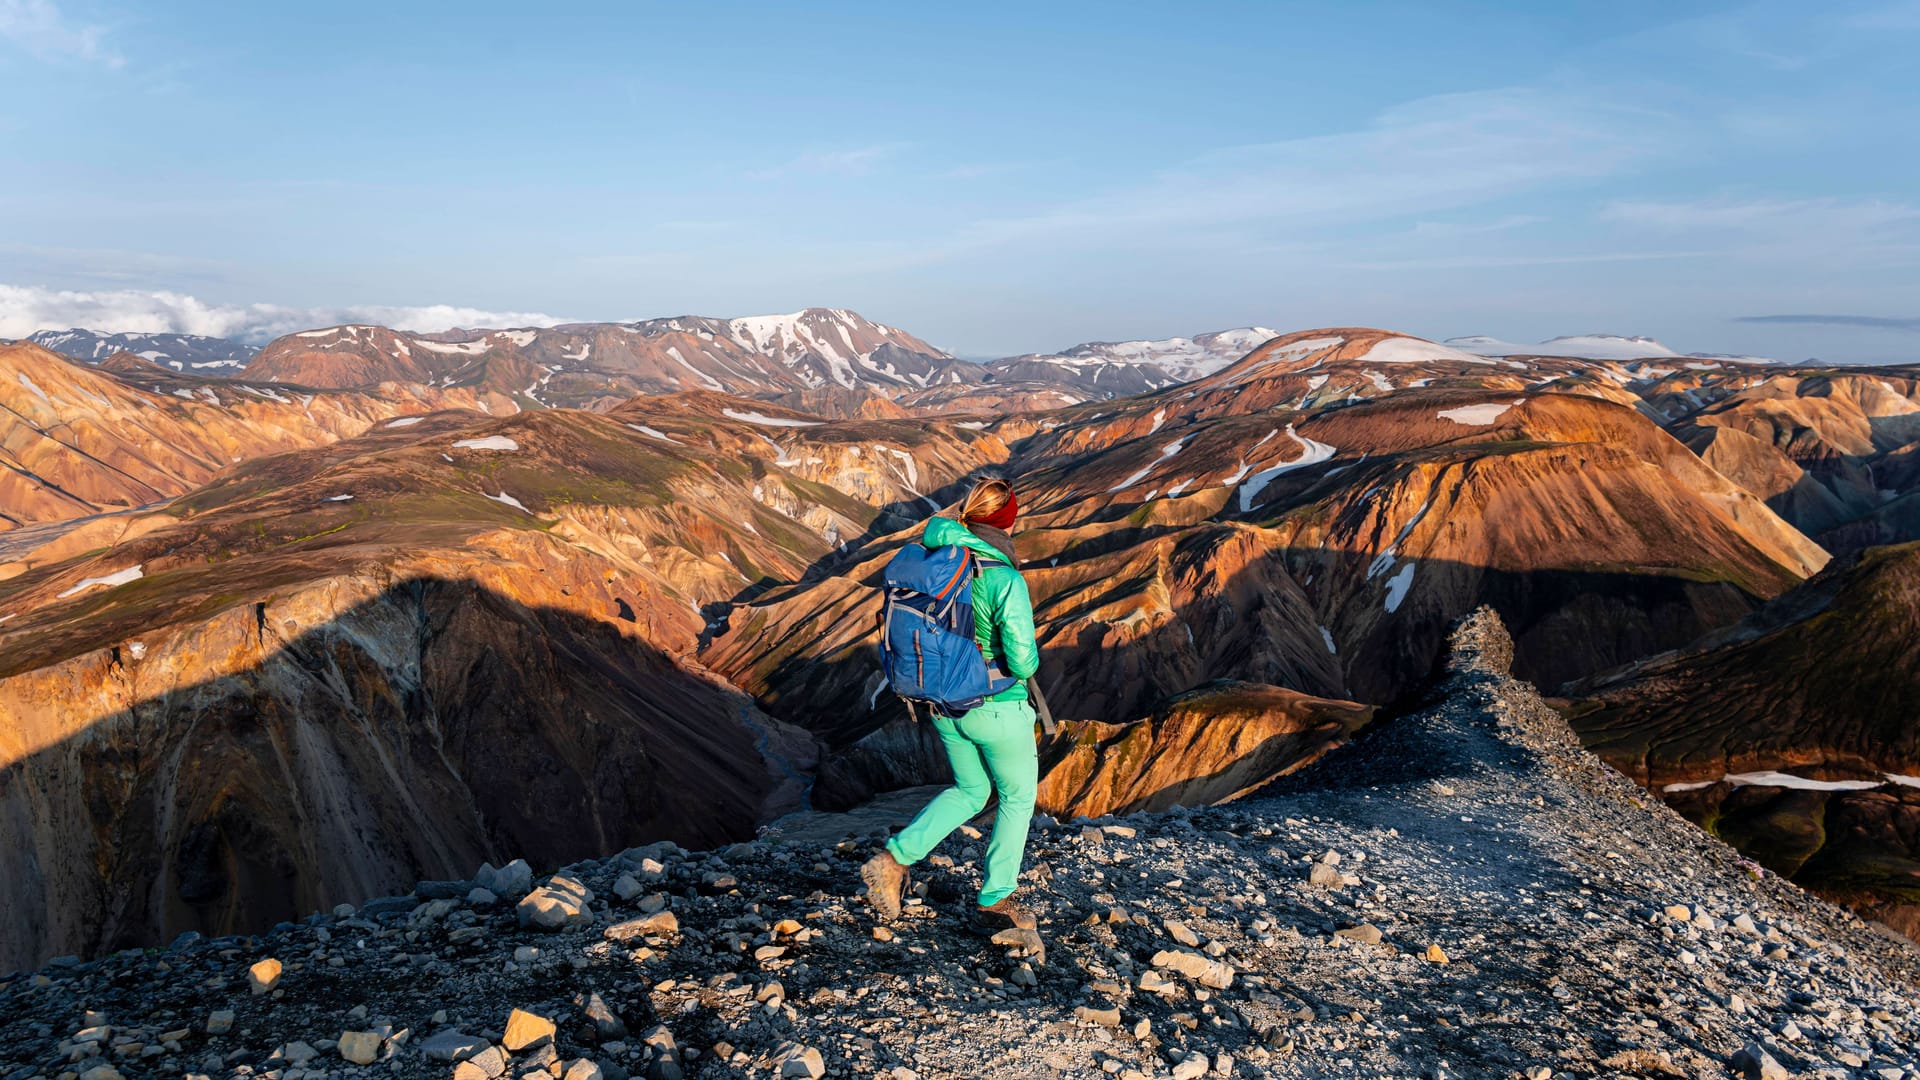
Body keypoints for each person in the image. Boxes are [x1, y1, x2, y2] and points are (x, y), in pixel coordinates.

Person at [861, 477, 1042, 933]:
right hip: (997, 706)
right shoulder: (1002, 576)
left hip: (941, 704)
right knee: (1018, 798)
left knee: (970, 791)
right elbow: (1021, 661)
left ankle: (894, 859)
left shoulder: (936, 558)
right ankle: (996, 898)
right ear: (1006, 520)